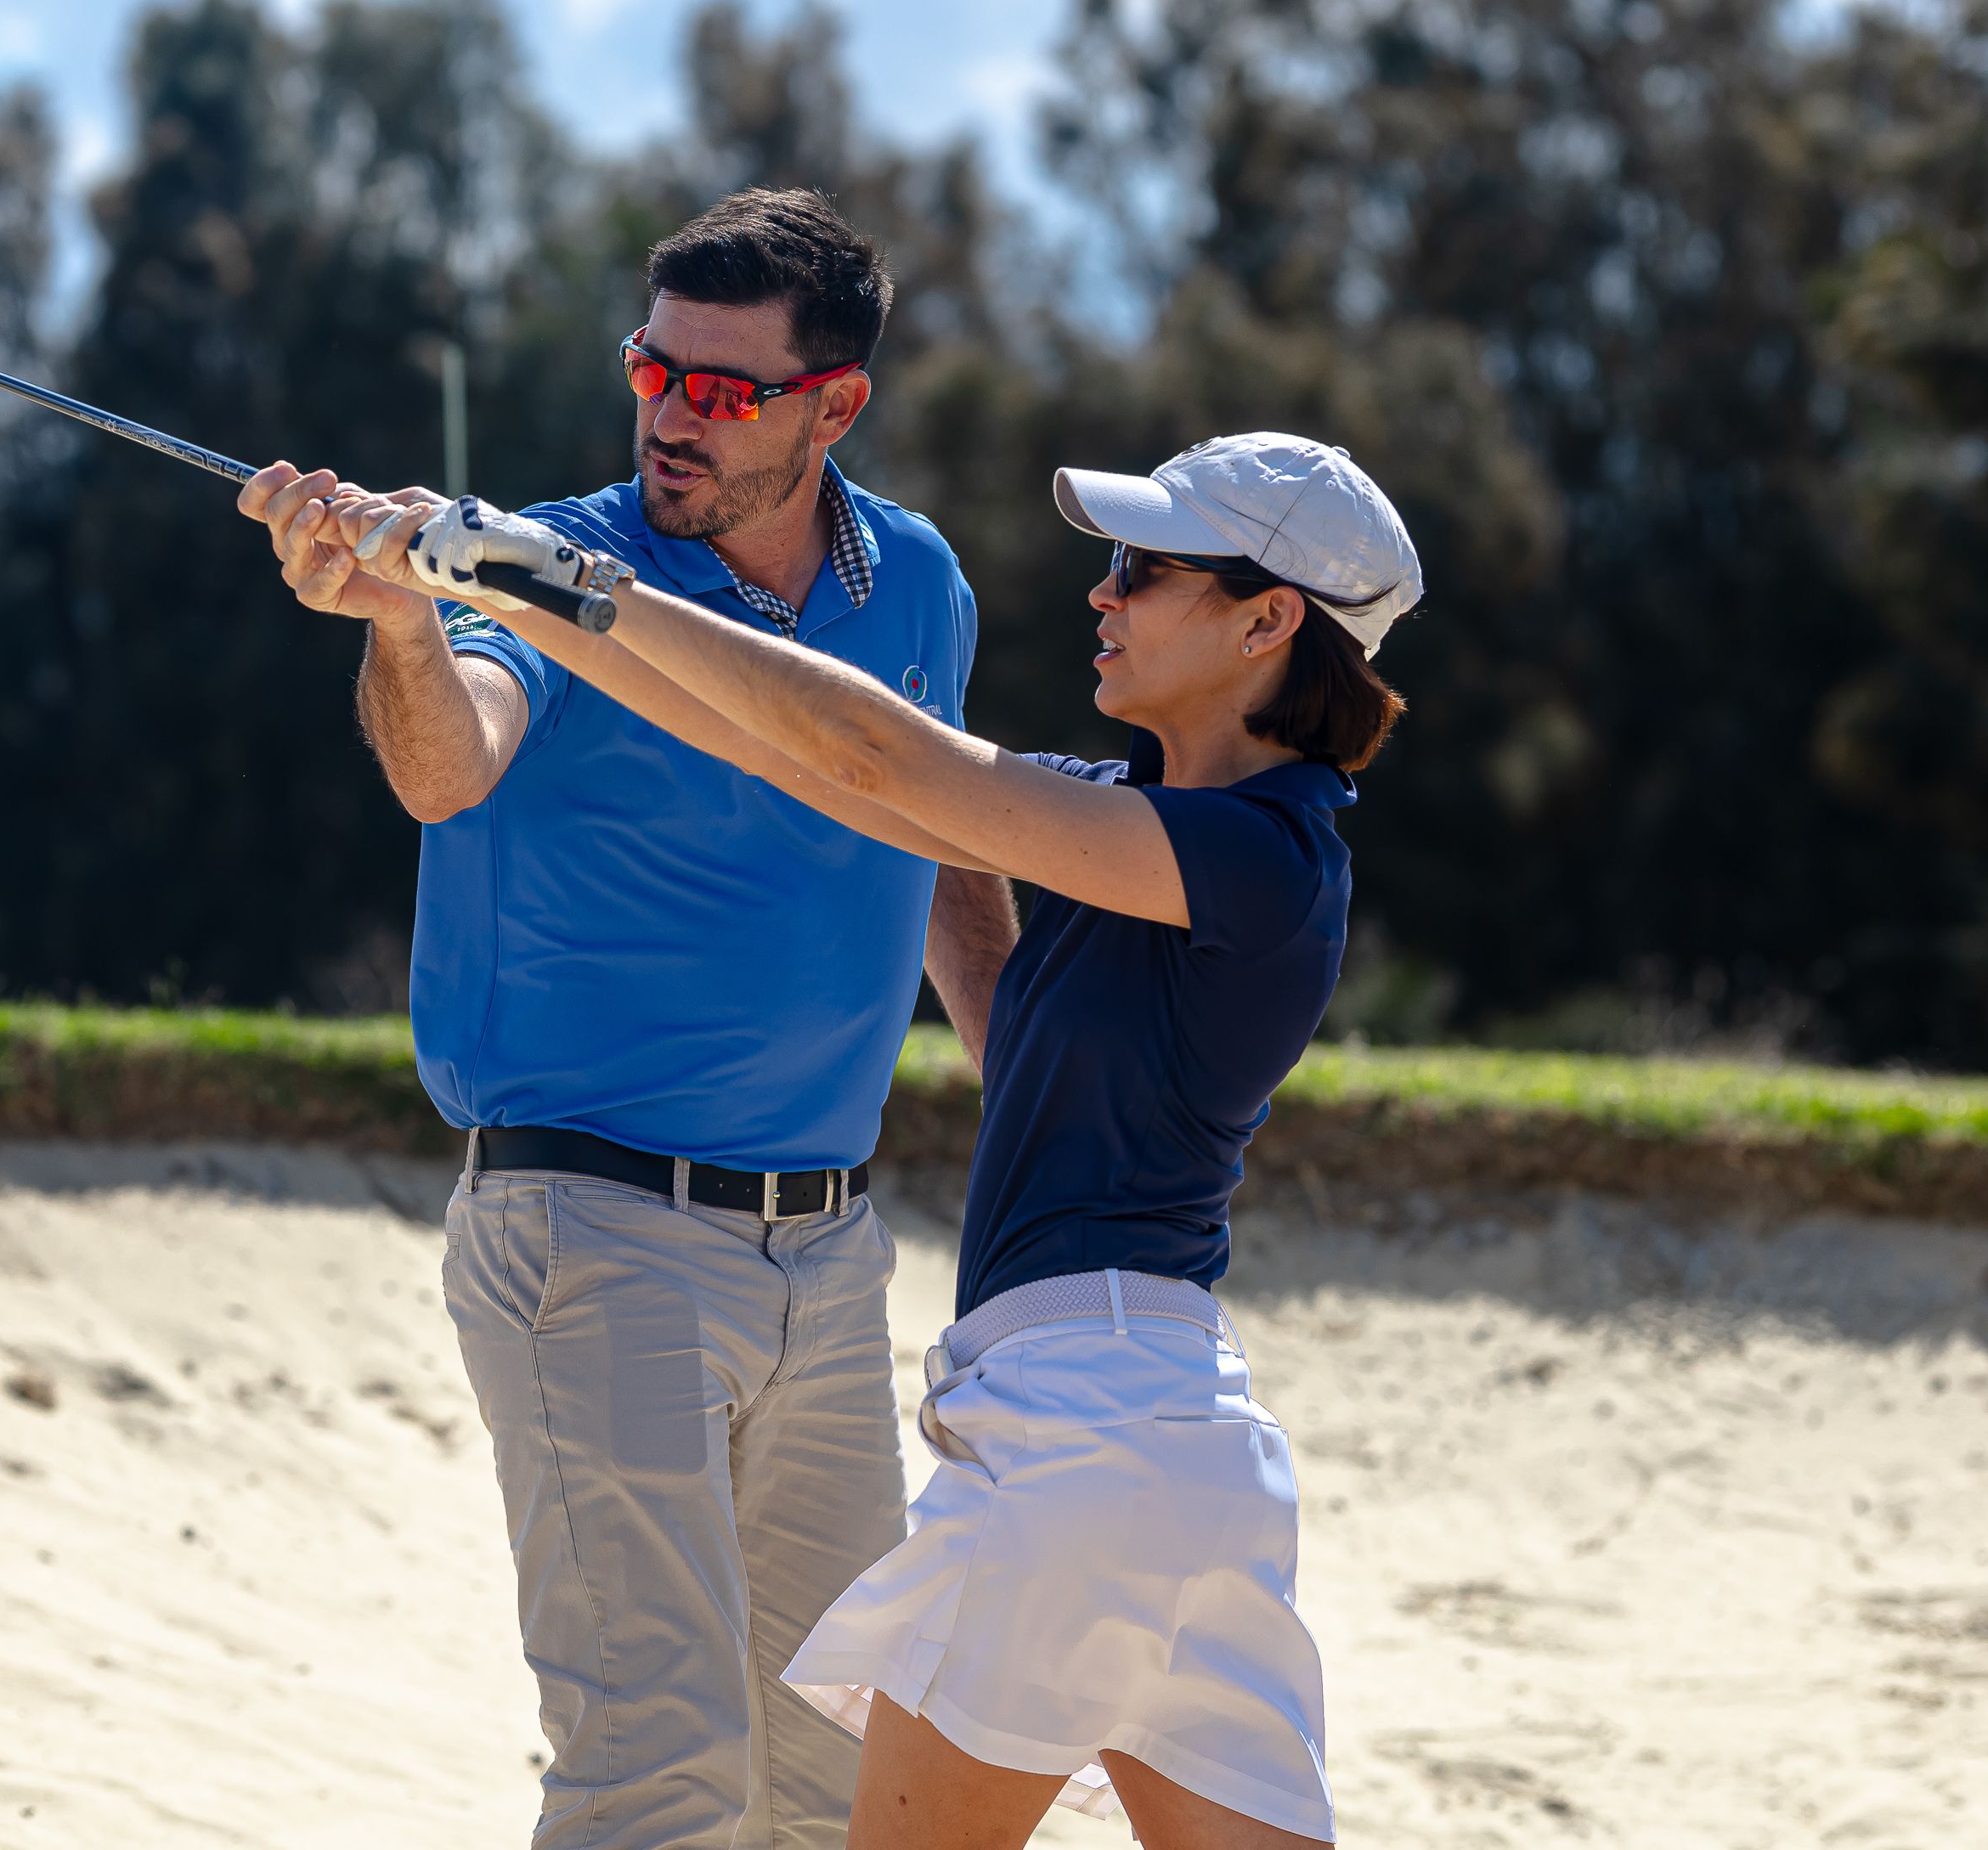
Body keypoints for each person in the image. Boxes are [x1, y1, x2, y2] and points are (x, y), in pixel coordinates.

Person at [312, 430, 1421, 1848]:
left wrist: (578, 582)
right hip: (1195, 1460)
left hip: (1074, 1439)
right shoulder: (1147, 823)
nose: (1104, 594)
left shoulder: (1259, 852)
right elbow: (826, 770)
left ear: (1272, 624)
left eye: (1145, 570)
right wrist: (504, 601)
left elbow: (879, 751)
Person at [234, 188, 1021, 1850]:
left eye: (725, 389)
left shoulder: (922, 580)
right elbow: (451, 762)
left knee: (833, 1779)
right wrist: (395, 619)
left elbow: (940, 827)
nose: (673, 412)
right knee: (655, 1766)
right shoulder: (543, 565)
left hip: (828, 1251)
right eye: (653, 369)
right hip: (590, 1228)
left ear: (835, 405)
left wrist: (1035, 1100)